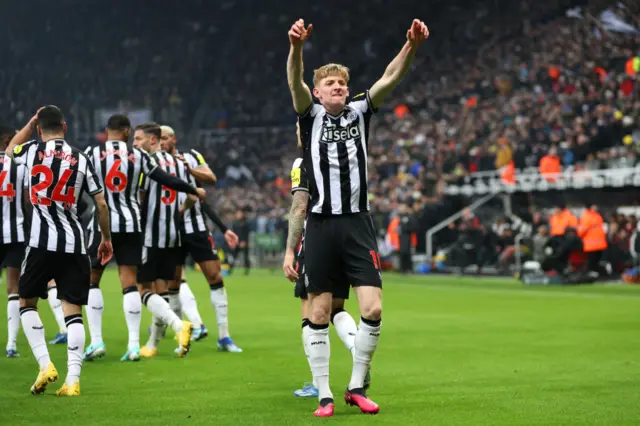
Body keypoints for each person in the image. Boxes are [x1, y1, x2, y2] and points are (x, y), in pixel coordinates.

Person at [286, 18, 429, 416]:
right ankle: (323, 394)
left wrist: (411, 46)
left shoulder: (361, 111)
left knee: (373, 308)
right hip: (321, 225)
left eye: (342, 84)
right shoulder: (308, 114)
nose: (338, 87)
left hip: (357, 223)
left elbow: (390, 77)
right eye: (330, 84)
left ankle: (355, 386)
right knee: (318, 311)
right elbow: (294, 82)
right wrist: (296, 48)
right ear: (318, 92)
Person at [7, 105, 114, 396]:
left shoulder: (30, 151)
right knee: (73, 311)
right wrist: (105, 238)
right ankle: (73, 381)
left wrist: (29, 124)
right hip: (75, 243)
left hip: (41, 243)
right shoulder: (81, 157)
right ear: (65, 128)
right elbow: (101, 204)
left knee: (26, 303)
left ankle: (45, 365)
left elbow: (9, 150)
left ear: (39, 129)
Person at [81, 115, 205, 362]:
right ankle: (134, 346)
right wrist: (192, 189)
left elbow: (81, 184)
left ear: (107, 132)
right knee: (130, 283)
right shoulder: (139, 156)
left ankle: (96, 341)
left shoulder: (91, 153)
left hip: (103, 221)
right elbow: (165, 179)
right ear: (126, 132)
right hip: (131, 223)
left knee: (92, 280)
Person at [282, 123, 368, 398]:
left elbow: (300, 206)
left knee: (311, 313)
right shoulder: (343, 155)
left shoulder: (303, 161)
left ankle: (318, 383)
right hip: (349, 239)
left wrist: (289, 251)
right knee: (336, 309)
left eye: (299, 127)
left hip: (317, 243)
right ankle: (358, 349)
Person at [159, 125, 242, 352]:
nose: (163, 141)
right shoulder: (154, 163)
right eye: (160, 139)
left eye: (166, 138)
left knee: (215, 276)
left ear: (174, 139)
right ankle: (181, 337)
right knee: (173, 283)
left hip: (196, 228)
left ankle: (224, 337)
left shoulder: (192, 156)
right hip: (170, 230)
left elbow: (211, 179)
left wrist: (189, 170)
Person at [134, 122, 198, 357]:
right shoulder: (179, 164)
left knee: (143, 289)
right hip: (173, 235)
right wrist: (179, 211)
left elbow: (140, 197)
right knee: (162, 290)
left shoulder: (145, 164)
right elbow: (192, 195)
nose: (135, 145)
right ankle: (153, 344)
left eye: (139, 139)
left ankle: (179, 325)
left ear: (153, 140)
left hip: (151, 236)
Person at [0, 126, 26, 358]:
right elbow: (28, 200)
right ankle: (11, 344)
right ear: (9, 140)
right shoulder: (19, 166)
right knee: (13, 289)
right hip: (16, 234)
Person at [230, 210, 250, 275]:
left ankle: (246, 271)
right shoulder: (235, 224)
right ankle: (230, 270)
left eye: (240, 214)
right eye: (237, 214)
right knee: (234, 256)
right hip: (237, 242)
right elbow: (234, 233)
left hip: (244, 242)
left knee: (245, 257)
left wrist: (244, 242)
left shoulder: (245, 223)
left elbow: (246, 234)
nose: (238, 215)